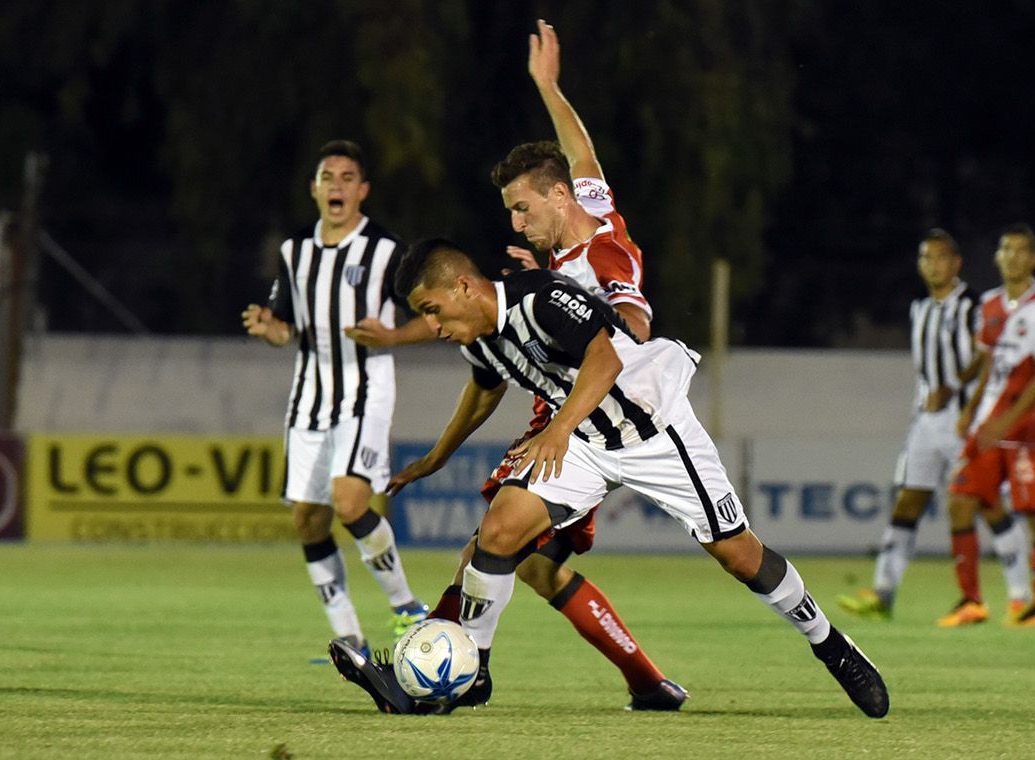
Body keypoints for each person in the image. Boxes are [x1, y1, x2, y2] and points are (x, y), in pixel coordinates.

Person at [329, 239, 890, 719]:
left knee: (740, 556)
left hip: (652, 430)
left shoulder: (541, 297)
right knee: (497, 534)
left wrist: (556, 429)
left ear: (464, 286)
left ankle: (830, 645)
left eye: (433, 310)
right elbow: (484, 389)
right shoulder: (478, 336)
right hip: (585, 441)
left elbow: (606, 361)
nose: (431, 327)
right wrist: (437, 456)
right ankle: (473, 671)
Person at [345, 20, 684, 711]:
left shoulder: (602, 259)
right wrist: (548, 86)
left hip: (585, 418)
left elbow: (630, 326)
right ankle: (649, 684)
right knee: (534, 568)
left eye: (522, 209)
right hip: (567, 411)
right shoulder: (589, 211)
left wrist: (576, 322)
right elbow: (581, 153)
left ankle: (440, 677)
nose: (517, 223)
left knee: (491, 545)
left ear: (554, 200)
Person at [242, 140, 427, 657]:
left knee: (349, 501)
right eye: (328, 177)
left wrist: (393, 336)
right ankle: (349, 634)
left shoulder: (387, 251)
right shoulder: (294, 252)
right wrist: (270, 330)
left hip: (365, 391)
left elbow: (434, 316)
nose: (337, 186)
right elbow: (286, 328)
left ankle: (406, 607)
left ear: (362, 190)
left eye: (347, 178)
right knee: (308, 519)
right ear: (315, 189)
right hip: (309, 397)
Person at [837, 229, 1031, 622]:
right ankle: (883, 594)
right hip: (926, 423)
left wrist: (956, 388)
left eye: (940, 257)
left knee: (986, 502)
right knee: (908, 500)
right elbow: (926, 371)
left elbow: (988, 354)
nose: (933, 265)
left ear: (956, 263)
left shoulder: (974, 305)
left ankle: (1021, 595)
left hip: (966, 419)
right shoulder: (920, 309)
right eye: (926, 258)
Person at [938, 224, 1035, 628]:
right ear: (997, 257)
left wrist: (1009, 421)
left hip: (1028, 433)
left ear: (1034, 259)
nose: (1012, 257)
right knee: (960, 502)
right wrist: (971, 409)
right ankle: (971, 602)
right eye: (1005, 249)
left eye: (1020, 250)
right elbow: (991, 367)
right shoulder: (990, 305)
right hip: (988, 429)